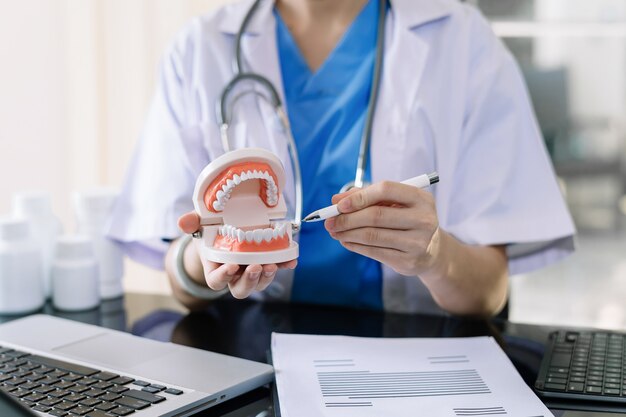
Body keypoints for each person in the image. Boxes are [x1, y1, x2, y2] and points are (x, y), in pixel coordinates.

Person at [107, 0, 576, 317]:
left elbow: (489, 291)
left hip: (417, 366)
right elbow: (180, 281)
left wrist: (435, 256)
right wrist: (203, 259)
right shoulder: (199, 49)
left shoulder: (462, 40)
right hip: (253, 361)